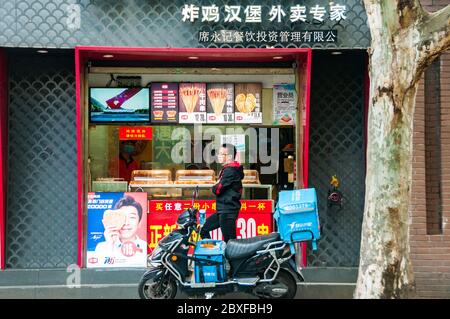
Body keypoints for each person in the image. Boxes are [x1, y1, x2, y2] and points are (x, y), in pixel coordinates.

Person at [200, 144, 244, 243]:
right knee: (203, 230)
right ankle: (212, 253)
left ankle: (232, 258)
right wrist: (217, 184)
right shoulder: (228, 169)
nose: (218, 156)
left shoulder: (230, 171)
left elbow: (218, 189)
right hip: (223, 210)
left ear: (229, 156)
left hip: (228, 211)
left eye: (221, 154)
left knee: (230, 242)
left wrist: (215, 186)